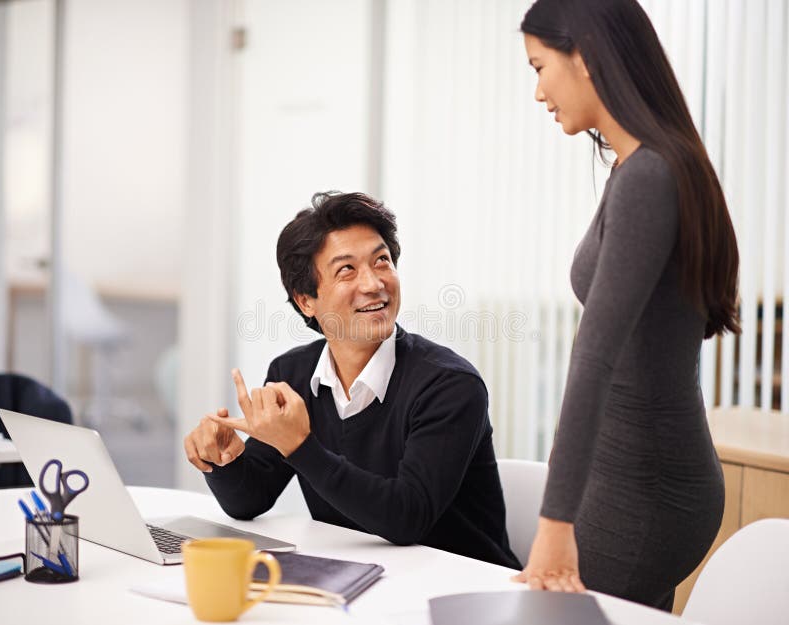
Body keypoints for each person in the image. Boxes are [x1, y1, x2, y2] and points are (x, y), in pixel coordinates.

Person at [515, 0, 740, 611]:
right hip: (632, 480)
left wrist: (554, 524)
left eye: (539, 67)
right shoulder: (639, 166)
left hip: (645, 492)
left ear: (584, 57)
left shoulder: (649, 175)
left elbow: (595, 359)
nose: (538, 92)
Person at [183, 191, 520, 570]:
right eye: (347, 270)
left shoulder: (450, 385)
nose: (374, 283)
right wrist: (224, 459)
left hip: (461, 588)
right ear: (305, 300)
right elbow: (249, 500)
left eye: (382, 262)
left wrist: (299, 445)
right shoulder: (292, 375)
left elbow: (408, 516)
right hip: (360, 582)